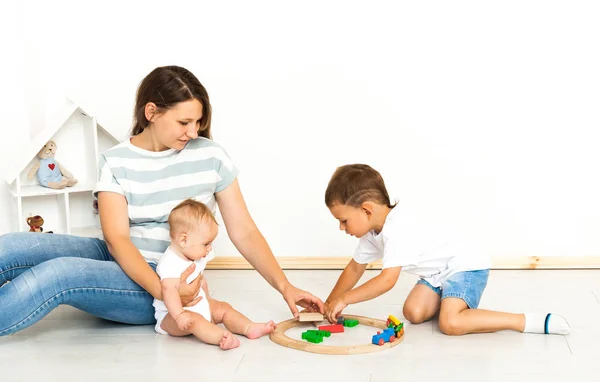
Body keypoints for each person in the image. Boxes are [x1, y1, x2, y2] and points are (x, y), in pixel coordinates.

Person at [0, 65, 323, 337]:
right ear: (151, 112)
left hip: (163, 280)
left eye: (199, 122)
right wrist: (167, 293)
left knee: (61, 274)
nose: (193, 132)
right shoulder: (117, 160)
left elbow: (245, 231)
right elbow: (116, 238)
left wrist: (285, 286)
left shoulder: (211, 156)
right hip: (126, 260)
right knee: (12, 247)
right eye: (184, 122)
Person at [322, 163, 571, 336]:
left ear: (366, 210)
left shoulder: (398, 228)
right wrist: (329, 303)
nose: (341, 227)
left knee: (450, 323)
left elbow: (387, 281)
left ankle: (526, 321)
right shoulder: (371, 232)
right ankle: (451, 298)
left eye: (344, 220)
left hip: (465, 265)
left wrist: (345, 300)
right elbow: (354, 269)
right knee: (413, 313)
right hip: (438, 273)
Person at [154, 199, 275, 350]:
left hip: (198, 304)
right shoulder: (170, 262)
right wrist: (179, 315)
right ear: (184, 240)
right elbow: (168, 290)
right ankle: (221, 337)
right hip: (170, 316)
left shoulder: (195, 254)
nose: (210, 248)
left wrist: (208, 302)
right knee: (195, 320)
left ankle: (248, 327)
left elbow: (201, 281)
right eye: (206, 243)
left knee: (223, 307)